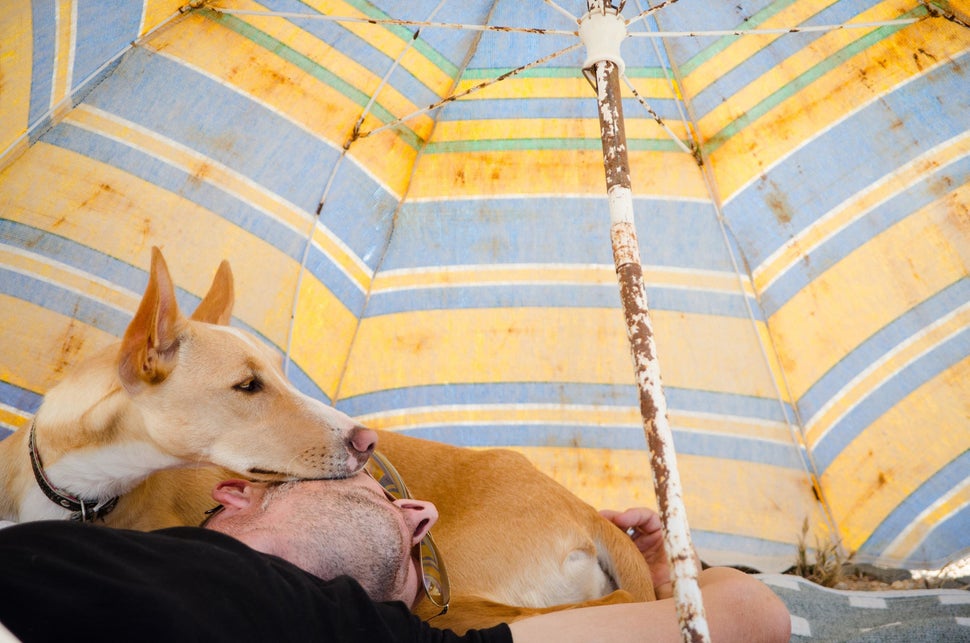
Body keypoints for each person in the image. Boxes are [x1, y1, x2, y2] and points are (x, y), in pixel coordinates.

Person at [0, 473, 790, 642]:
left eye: (425, 563)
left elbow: (747, 613)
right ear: (236, 490)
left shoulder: (379, 639)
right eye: (381, 487)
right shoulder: (81, 544)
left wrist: (658, 580)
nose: (424, 508)